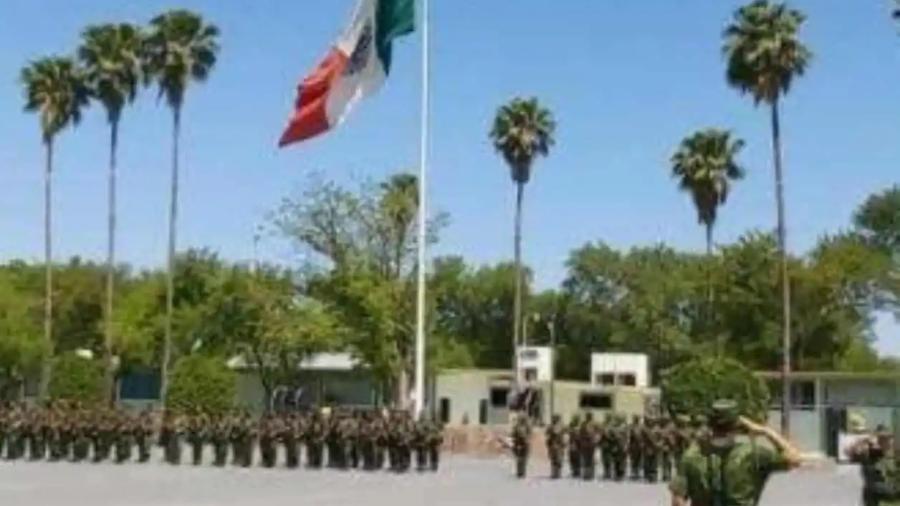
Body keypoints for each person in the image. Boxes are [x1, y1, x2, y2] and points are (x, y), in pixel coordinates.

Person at [670, 399, 802, 506]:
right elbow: (794, 458)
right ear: (738, 426)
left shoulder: (691, 456)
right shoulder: (752, 453)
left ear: (710, 425)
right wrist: (764, 431)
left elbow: (677, 501)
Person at [846, 425, 900, 506]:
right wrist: (862, 440)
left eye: (887, 439)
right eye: (881, 439)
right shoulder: (868, 453)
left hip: (892, 490)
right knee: (870, 490)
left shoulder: (894, 453)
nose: (885, 442)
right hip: (875, 490)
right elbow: (848, 451)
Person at [545, 414, 566, 479]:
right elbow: (547, 435)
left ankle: (558, 473)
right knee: (553, 460)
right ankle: (554, 473)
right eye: (554, 419)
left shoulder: (562, 427)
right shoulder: (550, 427)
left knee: (559, 460)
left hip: (559, 446)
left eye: (556, 419)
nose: (555, 420)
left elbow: (564, 436)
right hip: (553, 445)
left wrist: (563, 443)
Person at [511, 413, 532, 479]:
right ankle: (520, 473)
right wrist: (516, 442)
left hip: (525, 444)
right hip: (518, 444)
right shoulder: (517, 426)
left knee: (524, 459)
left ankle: (522, 473)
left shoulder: (527, 426)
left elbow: (530, 434)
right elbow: (513, 435)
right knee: (519, 459)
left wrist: (527, 439)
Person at [567, 413, 581, 478]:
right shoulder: (571, 427)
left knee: (577, 458)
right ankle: (574, 471)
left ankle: (577, 471)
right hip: (573, 444)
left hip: (578, 445)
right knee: (572, 458)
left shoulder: (580, 427)